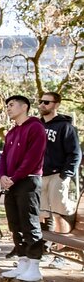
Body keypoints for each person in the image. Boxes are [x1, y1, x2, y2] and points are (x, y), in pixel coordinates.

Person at [0, 95, 47, 282]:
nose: (8, 108)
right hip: (11, 182)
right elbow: (3, 158)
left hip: (28, 180)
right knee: (15, 223)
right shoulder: (11, 132)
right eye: (7, 106)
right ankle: (23, 262)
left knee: (29, 222)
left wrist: (14, 177)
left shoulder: (36, 127)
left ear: (24, 106)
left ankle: (34, 265)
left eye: (11, 105)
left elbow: (33, 158)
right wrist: (2, 175)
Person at [38, 92, 82, 269]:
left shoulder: (65, 127)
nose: (42, 105)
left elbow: (75, 153)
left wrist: (66, 174)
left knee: (59, 214)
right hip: (40, 175)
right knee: (42, 214)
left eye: (46, 102)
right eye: (40, 101)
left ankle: (61, 255)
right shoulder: (36, 126)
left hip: (57, 174)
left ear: (56, 104)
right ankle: (44, 250)